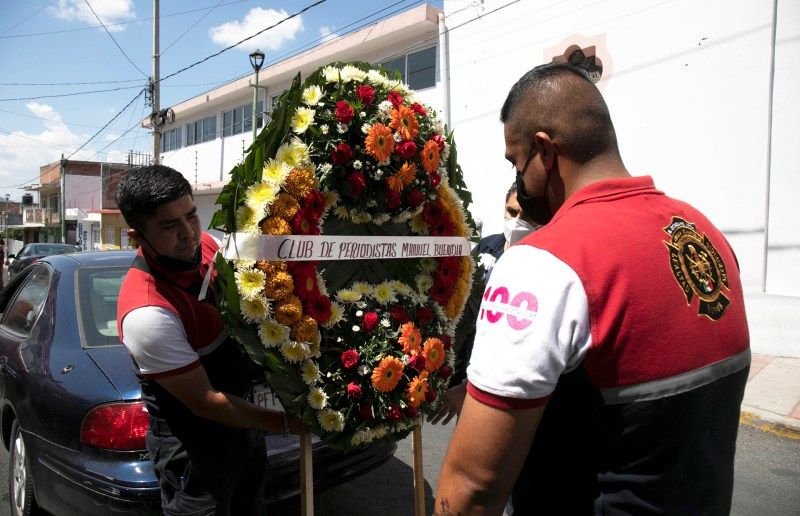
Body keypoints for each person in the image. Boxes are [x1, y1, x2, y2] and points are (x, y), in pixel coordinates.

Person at [435, 62, 750, 515]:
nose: (518, 182)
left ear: (543, 151)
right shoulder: (706, 232)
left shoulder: (543, 264)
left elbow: (471, 488)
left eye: (515, 162)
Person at [115, 165, 307, 516]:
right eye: (169, 225)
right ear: (137, 235)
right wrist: (286, 424)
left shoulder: (208, 245)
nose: (188, 233)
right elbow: (205, 402)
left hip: (243, 425)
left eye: (191, 216)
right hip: (193, 447)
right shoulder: (146, 313)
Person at [429, 182, 538, 426]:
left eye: (526, 216)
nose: (517, 221)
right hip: (469, 371)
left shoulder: (542, 262)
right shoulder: (489, 246)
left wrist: (467, 388)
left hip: (503, 389)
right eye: (511, 212)